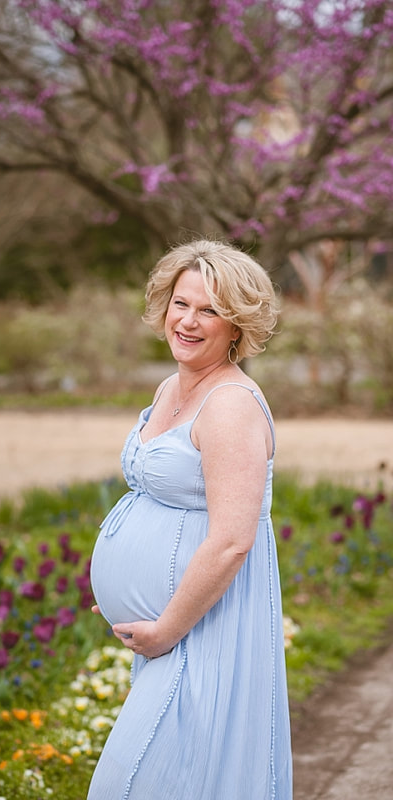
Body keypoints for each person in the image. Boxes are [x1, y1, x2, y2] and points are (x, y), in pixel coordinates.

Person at [87, 240, 291, 798]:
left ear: (237, 327)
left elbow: (231, 540)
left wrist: (166, 628)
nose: (189, 321)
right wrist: (128, 581)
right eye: (181, 303)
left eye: (209, 310)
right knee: (175, 776)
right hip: (168, 624)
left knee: (132, 783)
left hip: (203, 626)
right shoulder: (171, 386)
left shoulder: (230, 406)